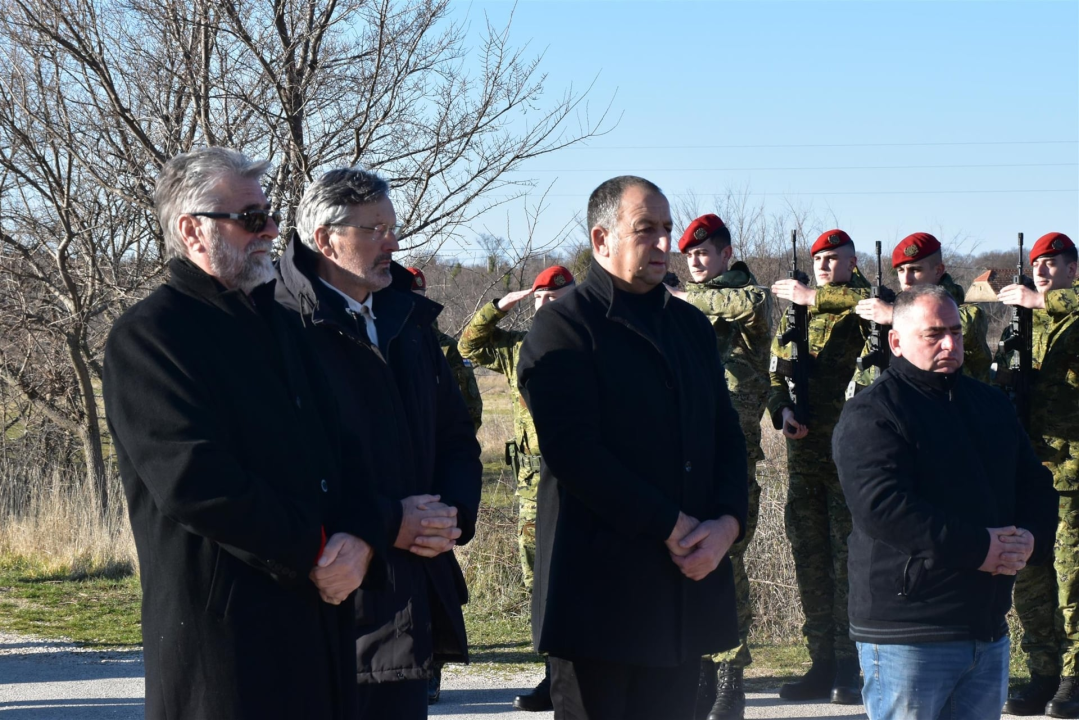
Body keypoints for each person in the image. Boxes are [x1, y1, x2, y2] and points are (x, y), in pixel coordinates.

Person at [102, 148, 385, 720]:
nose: (272, 231)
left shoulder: (280, 323)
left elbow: (343, 450)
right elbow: (195, 482)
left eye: (270, 215)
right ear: (192, 230)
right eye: (252, 219)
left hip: (317, 625)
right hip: (225, 642)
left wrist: (359, 538)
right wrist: (314, 550)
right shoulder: (150, 337)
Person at [516, 175, 748, 720]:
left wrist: (727, 525)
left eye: (667, 229)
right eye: (647, 230)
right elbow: (575, 454)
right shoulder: (563, 328)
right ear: (602, 241)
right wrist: (671, 525)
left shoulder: (690, 325)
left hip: (682, 590)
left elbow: (725, 434)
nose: (666, 244)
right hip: (600, 600)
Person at [275, 167, 482, 719]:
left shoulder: (407, 321)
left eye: (392, 227)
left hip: (409, 595)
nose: (392, 242)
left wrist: (451, 513)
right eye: (375, 229)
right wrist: (388, 521)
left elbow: (457, 434)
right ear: (326, 240)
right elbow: (285, 467)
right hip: (330, 602)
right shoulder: (279, 326)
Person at [833, 283, 1058, 720]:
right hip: (909, 630)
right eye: (933, 334)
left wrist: (1028, 539)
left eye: (955, 331)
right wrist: (981, 549)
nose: (951, 344)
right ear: (896, 341)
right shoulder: (873, 412)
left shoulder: (990, 403)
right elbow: (885, 508)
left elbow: (1035, 484)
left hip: (986, 627)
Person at [666, 214, 772, 720]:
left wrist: (679, 298)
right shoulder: (688, 310)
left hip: (734, 453)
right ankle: (703, 674)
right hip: (692, 453)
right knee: (691, 557)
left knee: (727, 561)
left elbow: (747, 305)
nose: (696, 262)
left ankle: (732, 679)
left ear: (728, 254)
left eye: (705, 253)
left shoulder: (746, 298)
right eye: (690, 256)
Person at [458, 263, 576, 712]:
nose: (548, 305)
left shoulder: (590, 341)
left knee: (581, 575)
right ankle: (553, 675)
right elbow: (471, 344)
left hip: (584, 479)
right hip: (532, 484)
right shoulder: (517, 347)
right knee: (538, 580)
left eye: (557, 298)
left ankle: (588, 672)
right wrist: (499, 307)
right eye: (542, 298)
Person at [767, 229, 870, 703]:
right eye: (819, 259)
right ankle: (821, 661)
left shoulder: (865, 304)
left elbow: (871, 307)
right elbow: (774, 372)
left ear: (851, 261)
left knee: (848, 560)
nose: (825, 265)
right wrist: (782, 411)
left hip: (848, 456)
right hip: (804, 456)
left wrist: (815, 296)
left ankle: (852, 665)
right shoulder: (796, 313)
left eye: (834, 258)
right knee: (810, 559)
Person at [996, 232, 1079, 718]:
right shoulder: (1026, 324)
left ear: (1073, 270)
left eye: (1053, 264)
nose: (1043, 271)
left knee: (1072, 581)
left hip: (1072, 472)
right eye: (1037, 265)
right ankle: (1043, 672)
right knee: (1030, 577)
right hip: (1030, 471)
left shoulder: (1065, 313)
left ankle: (1074, 676)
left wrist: (1043, 300)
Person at [846, 232, 992, 391]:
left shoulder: (967, 313)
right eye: (901, 271)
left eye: (915, 270)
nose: (906, 279)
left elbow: (963, 326)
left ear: (938, 270)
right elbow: (863, 381)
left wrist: (894, 314)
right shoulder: (889, 316)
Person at [406, 267, 484, 434]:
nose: (410, 305)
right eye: (405, 297)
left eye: (416, 298)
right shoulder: (380, 343)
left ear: (426, 300)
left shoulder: (447, 348)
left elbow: (470, 410)